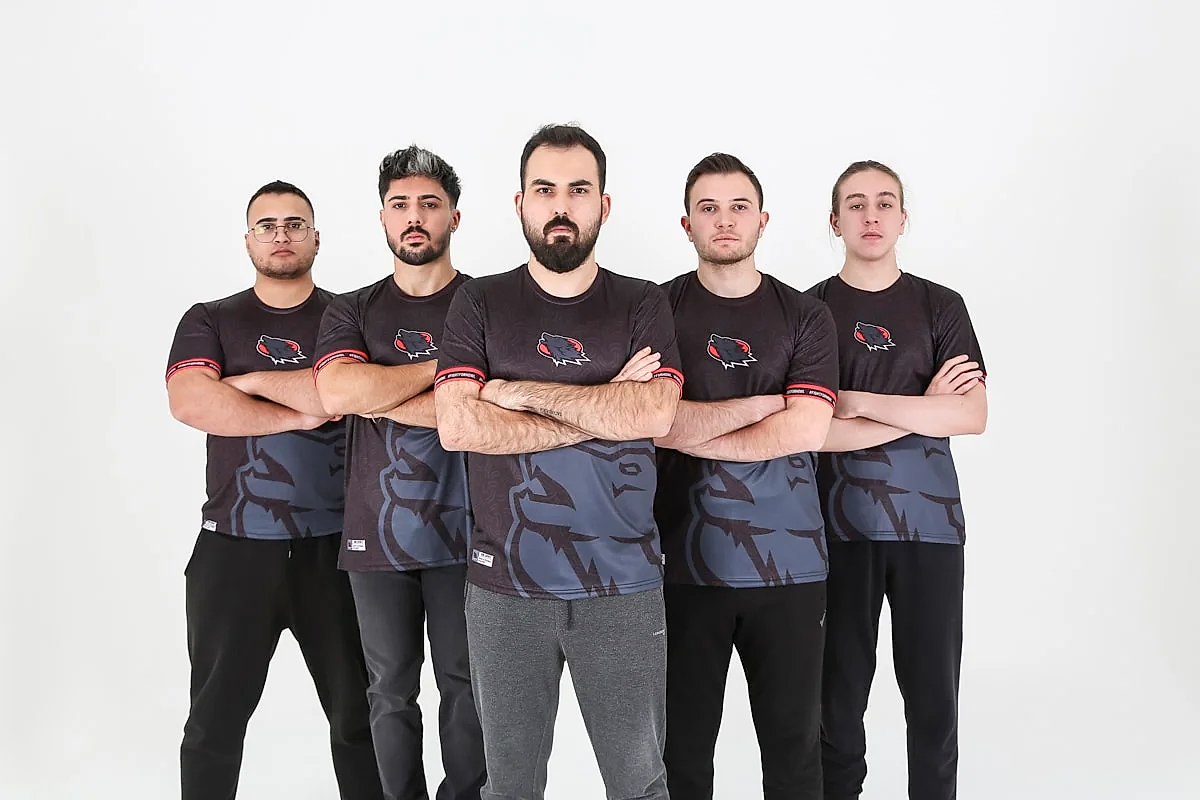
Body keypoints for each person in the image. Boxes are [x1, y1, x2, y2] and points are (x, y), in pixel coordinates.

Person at [432, 123, 683, 800]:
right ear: (520, 203)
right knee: (508, 787)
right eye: (544, 190)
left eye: (579, 189)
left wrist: (515, 394)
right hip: (504, 588)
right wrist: (604, 404)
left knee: (640, 785)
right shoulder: (479, 301)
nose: (561, 205)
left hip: (623, 585)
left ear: (605, 204)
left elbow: (653, 416)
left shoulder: (642, 302)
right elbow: (458, 425)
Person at [165, 180, 383, 800]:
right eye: (267, 225)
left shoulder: (351, 316)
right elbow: (190, 401)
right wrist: (302, 409)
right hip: (233, 548)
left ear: (316, 238)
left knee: (361, 720)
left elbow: (342, 395)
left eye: (295, 224)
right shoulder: (211, 319)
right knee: (213, 724)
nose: (281, 235)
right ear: (248, 240)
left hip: (338, 548)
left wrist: (250, 382)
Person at [653, 153, 840, 799]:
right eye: (708, 208)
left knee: (795, 757)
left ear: (763, 219)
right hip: (680, 565)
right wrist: (762, 407)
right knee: (681, 758)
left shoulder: (805, 315)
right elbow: (649, 424)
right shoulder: (656, 310)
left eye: (738, 207)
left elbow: (808, 429)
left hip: (790, 568)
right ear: (687, 224)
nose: (724, 220)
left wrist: (696, 426)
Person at [806, 161, 988, 800]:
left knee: (934, 705)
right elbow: (809, 430)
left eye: (885, 203)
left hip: (930, 530)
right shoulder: (809, 311)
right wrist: (920, 407)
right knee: (836, 706)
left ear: (904, 218)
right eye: (855, 204)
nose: (871, 215)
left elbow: (970, 414)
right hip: (834, 530)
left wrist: (857, 402)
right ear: (835, 222)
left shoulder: (941, 305)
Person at [312, 146, 486, 800]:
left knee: (467, 685)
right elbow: (337, 392)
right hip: (376, 533)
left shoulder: (485, 303)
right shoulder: (351, 309)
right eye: (400, 204)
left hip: (471, 531)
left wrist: (380, 390)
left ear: (454, 217)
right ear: (382, 217)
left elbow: (493, 405)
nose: (415, 217)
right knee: (388, 691)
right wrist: (449, 373)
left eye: (429, 205)